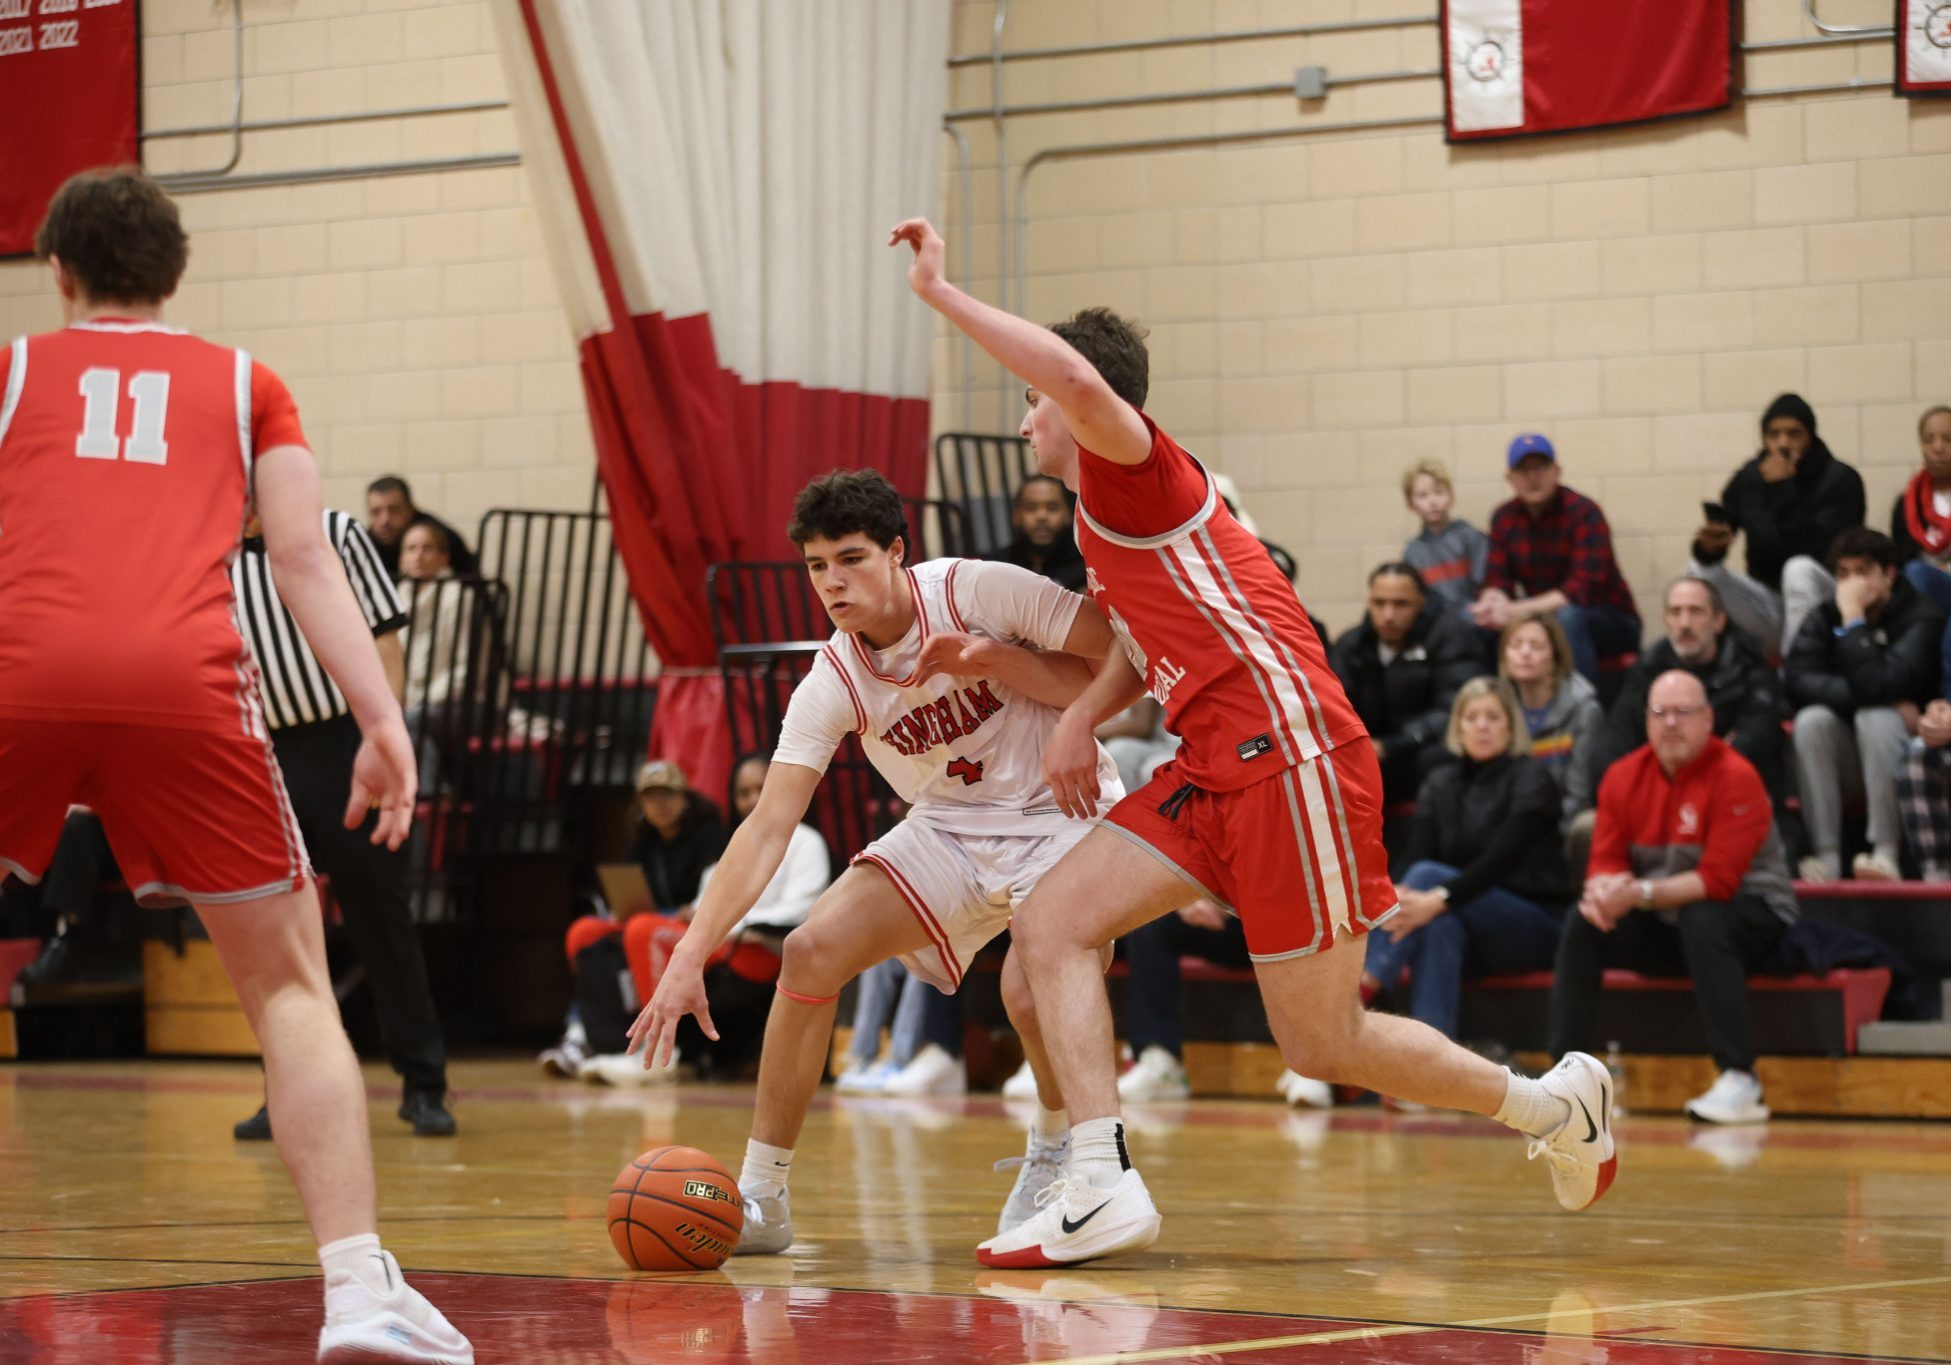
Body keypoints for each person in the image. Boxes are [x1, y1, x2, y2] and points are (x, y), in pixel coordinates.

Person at [891, 216, 1616, 1271]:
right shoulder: (1103, 524)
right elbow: (1144, 646)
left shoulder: (1136, 466)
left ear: (1085, 394)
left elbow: (1077, 382)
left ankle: (1553, 1110)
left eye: (1033, 398)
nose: (1023, 420)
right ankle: (1099, 1176)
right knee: (1051, 924)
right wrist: (1075, 713)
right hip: (1207, 769)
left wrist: (941, 296)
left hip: (1292, 756)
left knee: (1324, 1044)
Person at [0, 169, 467, 1360]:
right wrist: (383, 722)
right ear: (175, 274)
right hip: (181, 683)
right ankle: (358, 1293)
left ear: (58, 271)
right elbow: (305, 562)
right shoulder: (246, 380)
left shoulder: (8, 371)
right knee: (291, 987)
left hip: (20, 669)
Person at [629, 468, 1130, 1255]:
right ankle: (762, 1197)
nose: (832, 581)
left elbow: (1118, 657)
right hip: (951, 824)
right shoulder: (833, 678)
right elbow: (767, 826)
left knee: (1028, 988)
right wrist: (692, 951)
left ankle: (1060, 1146)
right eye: (816, 565)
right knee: (809, 948)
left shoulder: (978, 589)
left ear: (898, 550)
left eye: (851, 558)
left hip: (1061, 808)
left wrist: (999, 663)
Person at [228, 509, 455, 1141]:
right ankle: (287, 1091)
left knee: (380, 917)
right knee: (272, 936)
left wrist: (381, 737)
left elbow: (385, 638)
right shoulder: (201, 547)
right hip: (259, 755)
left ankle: (424, 1083)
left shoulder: (332, 530)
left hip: (345, 743)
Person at [1548, 672, 1798, 1126]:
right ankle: (1567, 1080)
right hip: (1668, 921)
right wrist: (1602, 895)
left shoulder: (1737, 776)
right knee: (1582, 923)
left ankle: (1740, 1078)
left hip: (1753, 917)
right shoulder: (1623, 777)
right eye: (1660, 713)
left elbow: (1718, 881)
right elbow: (1604, 862)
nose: (1671, 724)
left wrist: (1638, 892)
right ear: (1645, 721)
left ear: (1709, 719)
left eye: (1684, 712)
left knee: (1702, 915)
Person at [580, 754, 828, 1084]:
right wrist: (696, 914)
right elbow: (707, 898)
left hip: (762, 947)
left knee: (645, 932)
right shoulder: (735, 842)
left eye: (760, 788)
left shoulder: (807, 841)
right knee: (593, 932)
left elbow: (803, 907)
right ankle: (600, 1039)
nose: (753, 799)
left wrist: (734, 924)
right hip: (723, 939)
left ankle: (654, 1054)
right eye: (743, 792)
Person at [1364, 679, 1570, 1047]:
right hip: (1462, 918)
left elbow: (1498, 862)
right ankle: (1430, 1070)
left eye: (1493, 716)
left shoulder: (1532, 777)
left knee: (1428, 884)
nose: (1482, 725)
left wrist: (1435, 898)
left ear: (1511, 726)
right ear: (1458, 727)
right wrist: (1401, 897)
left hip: (1533, 924)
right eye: (1472, 717)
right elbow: (1416, 854)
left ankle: (1361, 991)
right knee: (1435, 923)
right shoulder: (1441, 782)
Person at [1785, 529, 1945, 881]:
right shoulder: (1826, 614)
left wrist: (1854, 620)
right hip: (1852, 756)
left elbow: (1884, 683)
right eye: (1843, 574)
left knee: (1877, 716)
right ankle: (1826, 856)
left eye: (1862, 572)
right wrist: (1859, 699)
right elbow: (1796, 680)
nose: (1852, 584)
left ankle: (1885, 853)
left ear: (1888, 575)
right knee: (1812, 721)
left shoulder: (1921, 615)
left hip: (1905, 756)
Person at [1691, 394, 1865, 661]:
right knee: (1699, 572)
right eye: (1774, 434)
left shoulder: (1841, 479)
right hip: (1771, 602)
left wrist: (1784, 489)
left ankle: (1798, 672)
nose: (1783, 443)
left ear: (1810, 436)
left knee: (1798, 570)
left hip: (1827, 601)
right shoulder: (1750, 478)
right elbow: (1726, 532)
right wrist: (1708, 548)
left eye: (1793, 434)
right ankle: (1703, 670)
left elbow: (1816, 550)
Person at [1471, 434, 1639, 685]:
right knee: (1469, 621)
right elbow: (1497, 578)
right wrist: (1491, 601)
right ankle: (1495, 709)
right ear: (1510, 479)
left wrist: (1515, 611)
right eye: (1523, 470)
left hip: (1609, 619)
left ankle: (1579, 711)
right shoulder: (1504, 517)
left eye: (1540, 468)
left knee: (1569, 618)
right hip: (1542, 615)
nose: (1533, 477)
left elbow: (1582, 590)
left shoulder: (1584, 512)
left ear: (1557, 472)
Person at [1329, 562, 1483, 806]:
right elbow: (1333, 708)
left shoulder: (1451, 636)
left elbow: (1455, 707)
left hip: (1423, 750)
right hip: (1371, 751)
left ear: (1421, 602)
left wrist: (1392, 745)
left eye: (1400, 604)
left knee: (1438, 760)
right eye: (1379, 603)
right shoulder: (1352, 644)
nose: (1388, 615)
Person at [1497, 614, 1602, 823]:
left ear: (1555, 658)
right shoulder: (1497, 708)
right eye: (1516, 645)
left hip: (1558, 826)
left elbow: (1579, 797)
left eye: (1536, 646)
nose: (1525, 653)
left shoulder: (1585, 711)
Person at [1400, 458, 1490, 621]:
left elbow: (1485, 583)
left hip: (1474, 616)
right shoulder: (1412, 552)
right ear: (1410, 505)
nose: (1432, 501)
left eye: (1439, 492)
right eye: (1422, 496)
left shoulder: (1469, 536)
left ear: (1451, 497)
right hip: (1436, 622)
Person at [1888, 405, 1951, 616]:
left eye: (1948, 439)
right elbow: (1902, 560)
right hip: (1922, 592)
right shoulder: (1907, 503)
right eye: (1929, 439)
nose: (1938, 447)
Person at [366, 474, 477, 579]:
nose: (384, 520)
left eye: (394, 510)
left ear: (410, 508)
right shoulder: (365, 543)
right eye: (375, 512)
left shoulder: (442, 536)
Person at [987, 473, 1086, 590]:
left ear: (1069, 515)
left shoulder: (1088, 568)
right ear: (1016, 516)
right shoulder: (998, 567)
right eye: (1031, 508)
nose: (1041, 516)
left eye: (1052, 507)